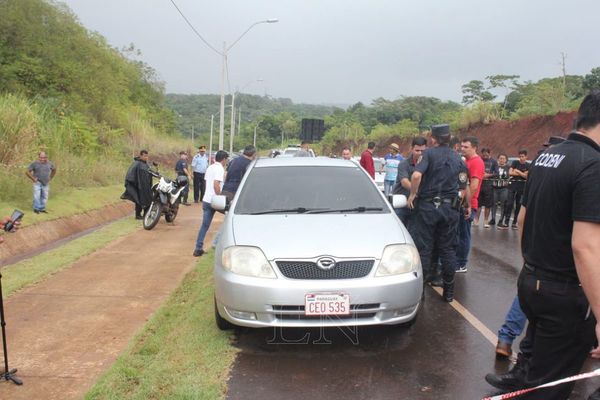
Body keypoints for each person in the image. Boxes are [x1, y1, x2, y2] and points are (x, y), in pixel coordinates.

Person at [485, 91, 600, 399]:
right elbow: (585, 246)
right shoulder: (593, 165)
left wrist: (533, 267)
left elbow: (523, 219)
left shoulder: (547, 157)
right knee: (549, 389)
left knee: (535, 373)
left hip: (532, 281)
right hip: (565, 294)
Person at [408, 124, 468, 301]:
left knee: (425, 249)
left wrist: (412, 194)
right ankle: (449, 292)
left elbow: (417, 176)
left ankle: (421, 293)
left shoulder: (428, 154)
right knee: (448, 249)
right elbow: (463, 186)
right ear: (449, 138)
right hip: (450, 209)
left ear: (433, 138)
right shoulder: (459, 159)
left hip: (428, 207)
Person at [456, 136, 484, 273]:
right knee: (457, 233)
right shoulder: (465, 161)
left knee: (463, 234)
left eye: (466, 147)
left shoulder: (476, 162)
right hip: (461, 202)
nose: (463, 149)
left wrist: (464, 203)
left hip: (468, 204)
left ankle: (461, 264)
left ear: (474, 148)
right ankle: (457, 261)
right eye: (462, 146)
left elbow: (473, 186)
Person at [193, 150, 228, 257]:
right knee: (229, 216)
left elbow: (207, 182)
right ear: (224, 159)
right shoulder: (220, 169)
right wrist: (220, 196)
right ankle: (218, 243)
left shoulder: (210, 167)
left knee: (205, 225)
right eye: (226, 159)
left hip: (206, 200)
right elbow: (216, 184)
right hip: (215, 200)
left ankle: (198, 248)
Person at [393, 137, 427, 227]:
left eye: (422, 151)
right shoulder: (404, 164)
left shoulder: (428, 165)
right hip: (402, 204)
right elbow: (405, 182)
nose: (420, 153)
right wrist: (416, 192)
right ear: (411, 149)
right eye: (417, 150)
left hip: (418, 205)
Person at [500, 149, 529, 229]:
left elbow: (526, 176)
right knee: (509, 204)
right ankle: (506, 222)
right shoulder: (515, 162)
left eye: (522, 156)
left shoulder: (528, 165)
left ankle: (514, 222)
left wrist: (517, 171)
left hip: (521, 187)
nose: (521, 158)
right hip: (512, 186)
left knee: (519, 205)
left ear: (526, 157)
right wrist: (521, 173)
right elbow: (510, 172)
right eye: (520, 156)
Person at [121, 150, 153, 220]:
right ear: (141, 155)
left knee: (149, 199)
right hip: (139, 186)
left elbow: (149, 175)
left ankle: (146, 214)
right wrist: (134, 183)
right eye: (145, 156)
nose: (146, 157)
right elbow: (131, 174)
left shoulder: (146, 165)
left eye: (147, 156)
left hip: (146, 187)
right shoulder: (136, 163)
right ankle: (138, 215)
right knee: (139, 201)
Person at [477, 147, 498, 227]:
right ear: (481, 153)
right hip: (479, 184)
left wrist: (487, 175)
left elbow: (497, 173)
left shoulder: (494, 162)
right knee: (478, 204)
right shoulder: (479, 160)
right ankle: (476, 219)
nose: (485, 155)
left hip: (489, 185)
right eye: (483, 154)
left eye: (486, 153)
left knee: (488, 205)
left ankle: (486, 221)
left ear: (489, 153)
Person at [490, 154, 510, 228]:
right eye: (500, 158)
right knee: (493, 204)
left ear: (506, 160)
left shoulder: (508, 167)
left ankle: (501, 220)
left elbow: (510, 176)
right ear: (498, 159)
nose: (502, 160)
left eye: (503, 158)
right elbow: (491, 174)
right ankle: (493, 219)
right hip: (495, 187)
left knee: (503, 204)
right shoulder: (495, 166)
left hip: (504, 188)